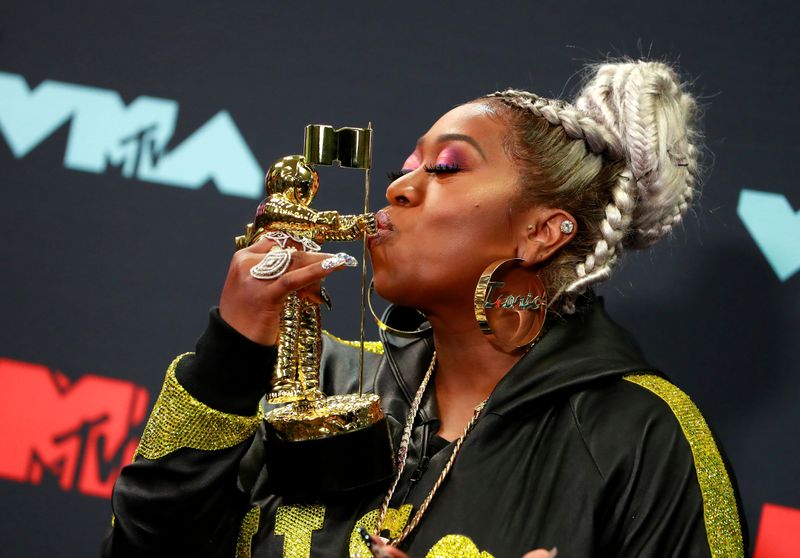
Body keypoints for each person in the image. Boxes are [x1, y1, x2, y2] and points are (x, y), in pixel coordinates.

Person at [102, 59, 746, 558]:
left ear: (543, 232)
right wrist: (231, 356)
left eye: (444, 167)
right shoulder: (310, 384)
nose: (399, 188)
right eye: (404, 167)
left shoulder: (642, 436)